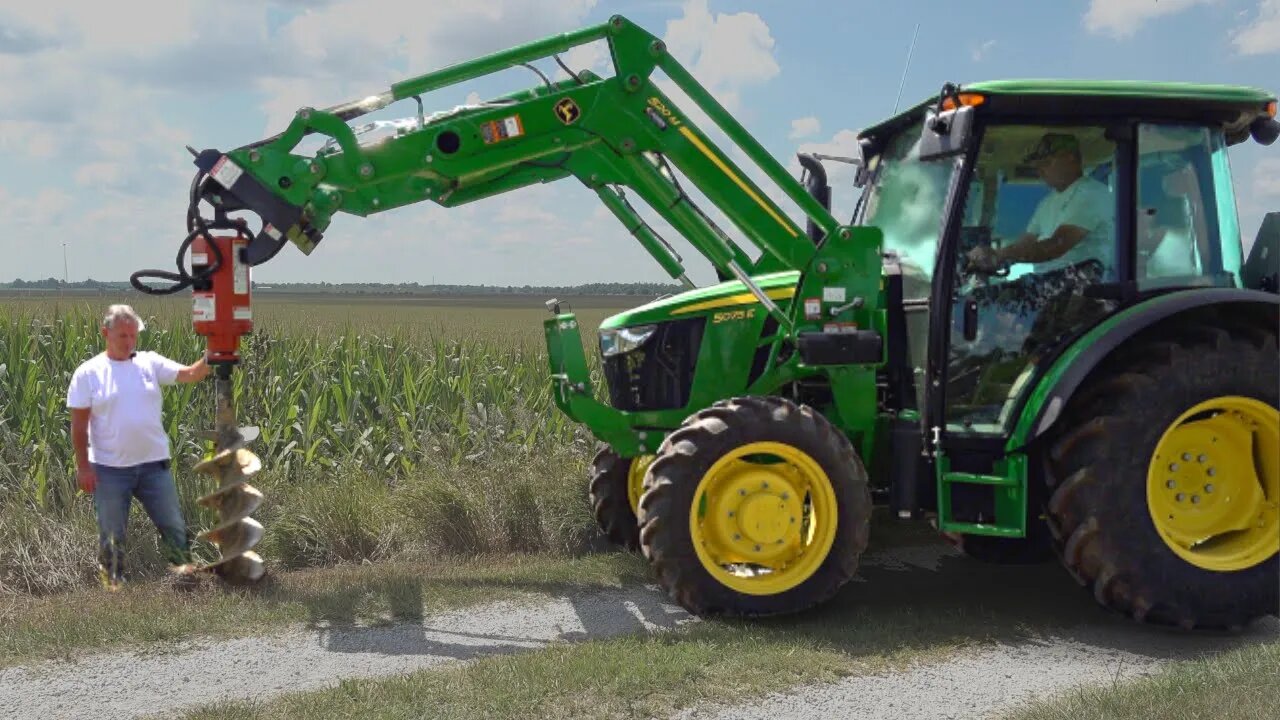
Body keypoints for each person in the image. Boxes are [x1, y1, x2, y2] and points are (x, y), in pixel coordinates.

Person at [67, 304, 212, 590]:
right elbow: (79, 425)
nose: (130, 341)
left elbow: (191, 374)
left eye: (133, 335)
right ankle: (114, 586)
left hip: (153, 466)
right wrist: (83, 466)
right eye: (123, 335)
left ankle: (186, 581)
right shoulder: (88, 373)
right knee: (111, 532)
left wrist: (213, 351)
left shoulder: (150, 362)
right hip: (108, 469)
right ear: (105, 333)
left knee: (172, 524)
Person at [967, 132, 1115, 279]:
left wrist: (1001, 254)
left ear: (1070, 157)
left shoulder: (1090, 193)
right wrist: (994, 258)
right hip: (1050, 281)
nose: (1040, 171)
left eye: (1046, 163)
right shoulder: (1047, 203)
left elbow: (1056, 245)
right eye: (1038, 165)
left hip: (1082, 285)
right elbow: (1025, 243)